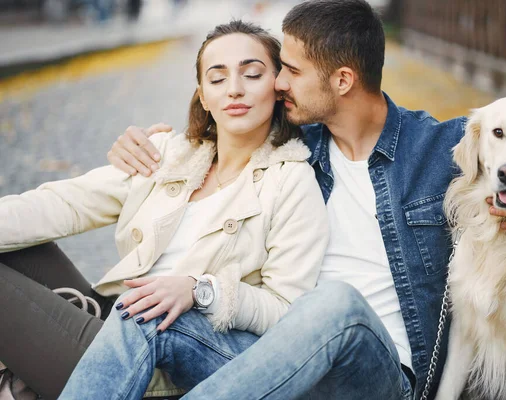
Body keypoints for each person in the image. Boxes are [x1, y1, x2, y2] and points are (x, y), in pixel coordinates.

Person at [105, 1, 506, 398]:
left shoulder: (442, 149)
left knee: (336, 303)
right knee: (138, 310)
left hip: (381, 376)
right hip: (280, 360)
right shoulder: (291, 149)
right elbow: (221, 120)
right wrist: (152, 147)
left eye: (291, 71)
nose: (278, 84)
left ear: (342, 80)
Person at [0, 20, 328, 400]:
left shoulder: (291, 180)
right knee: (20, 243)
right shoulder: (170, 155)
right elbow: (64, 204)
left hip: (158, 362)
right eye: (217, 78)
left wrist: (202, 290)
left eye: (252, 74)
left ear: (277, 86)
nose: (235, 89)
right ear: (203, 96)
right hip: (108, 320)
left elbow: (288, 310)